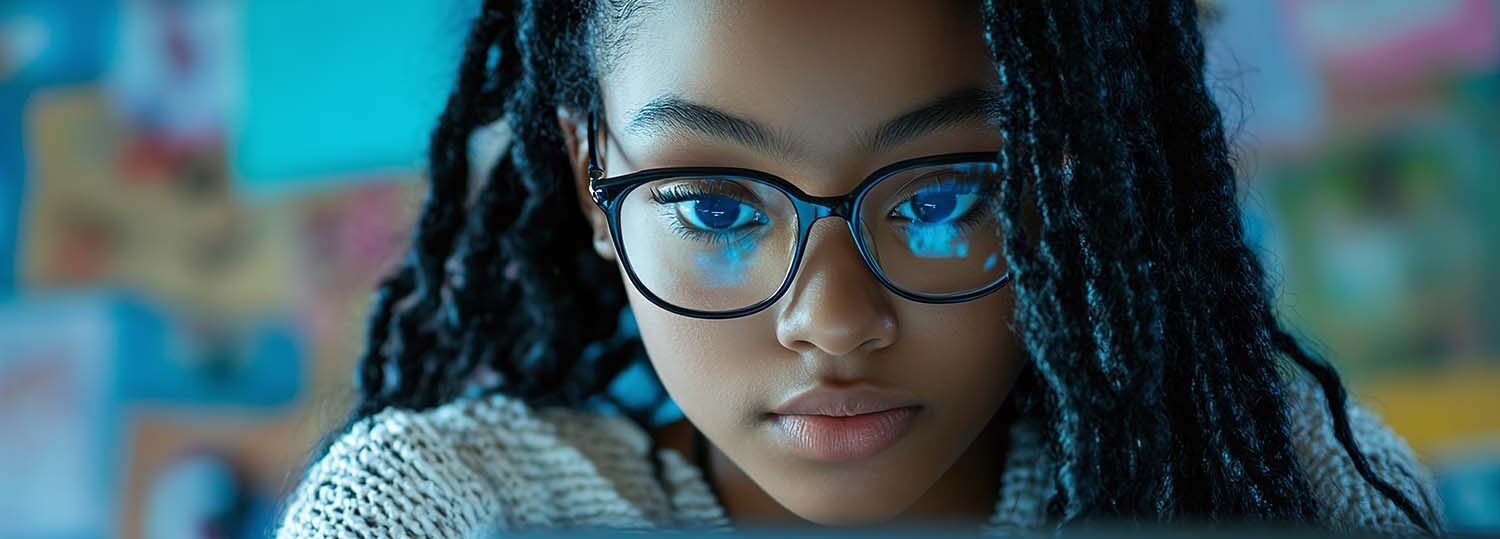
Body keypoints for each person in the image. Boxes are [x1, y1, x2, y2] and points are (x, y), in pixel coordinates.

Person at [275, 1, 1444, 536]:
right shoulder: (436, 510)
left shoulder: (1285, 482)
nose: (833, 321)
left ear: (1079, 191)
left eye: (944, 198)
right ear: (593, 185)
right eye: (717, 205)